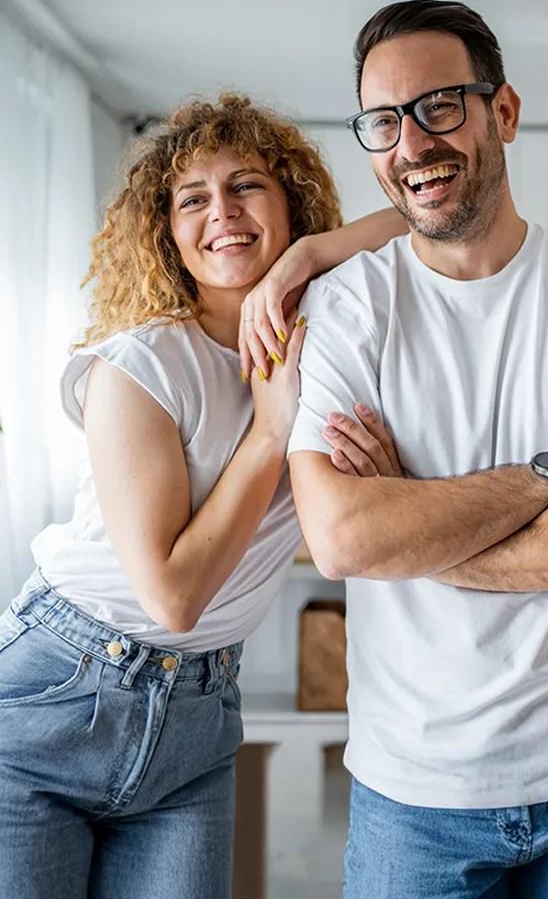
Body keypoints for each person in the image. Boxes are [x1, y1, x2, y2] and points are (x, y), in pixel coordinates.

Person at [287, 0, 548, 898]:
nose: (411, 143)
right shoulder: (348, 308)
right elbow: (347, 542)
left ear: (502, 112)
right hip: (414, 787)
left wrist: (419, 526)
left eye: (439, 106)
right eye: (383, 121)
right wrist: (546, 481)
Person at [0, 93, 404, 899]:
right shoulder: (139, 366)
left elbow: (417, 224)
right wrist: (270, 431)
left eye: (247, 186)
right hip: (57, 695)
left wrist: (302, 263)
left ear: (292, 204)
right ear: (167, 231)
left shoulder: (326, 341)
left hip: (197, 715)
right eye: (193, 199)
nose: (222, 213)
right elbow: (173, 596)